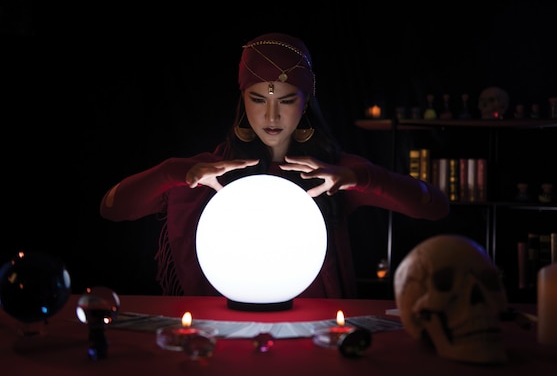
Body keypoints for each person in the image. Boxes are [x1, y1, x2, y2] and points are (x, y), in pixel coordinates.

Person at [100, 32, 449, 298]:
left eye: (285, 100)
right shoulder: (210, 171)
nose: (271, 116)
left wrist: (360, 178)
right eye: (257, 99)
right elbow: (112, 208)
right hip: (226, 331)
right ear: (242, 99)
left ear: (306, 101)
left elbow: (433, 206)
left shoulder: (332, 173)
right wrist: (174, 172)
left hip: (314, 335)